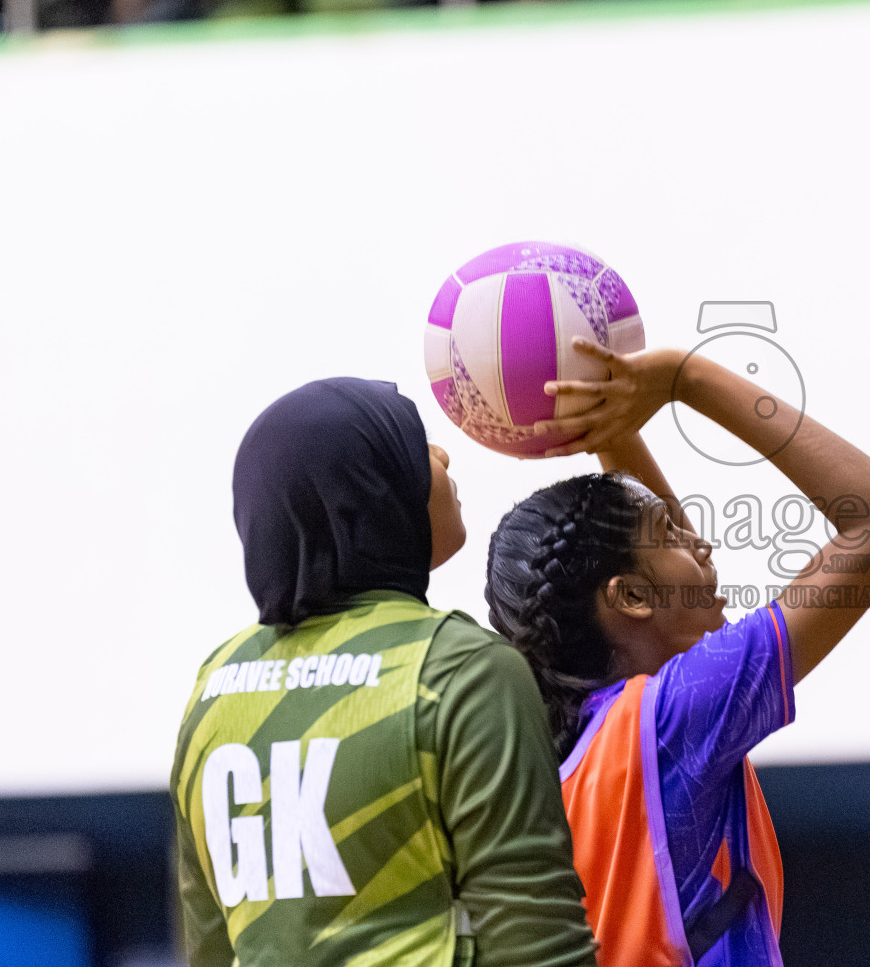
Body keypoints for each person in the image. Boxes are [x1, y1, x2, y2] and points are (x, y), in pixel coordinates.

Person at [485, 339, 870, 966]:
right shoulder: (669, 720)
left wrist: (613, 431)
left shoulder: (572, 753)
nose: (704, 548)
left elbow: (653, 572)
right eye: (672, 535)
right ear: (631, 596)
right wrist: (684, 377)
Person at [169, 377, 599, 967]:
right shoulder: (462, 668)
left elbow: (209, 948)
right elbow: (539, 943)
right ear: (371, 491)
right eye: (417, 443)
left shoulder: (216, 681)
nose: (444, 456)